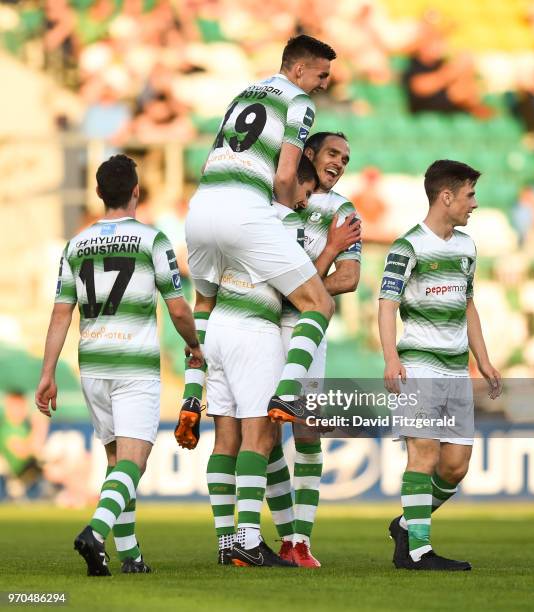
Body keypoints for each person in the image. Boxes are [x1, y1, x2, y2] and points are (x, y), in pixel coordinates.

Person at [35, 154, 203, 576]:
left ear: (97, 194)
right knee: (135, 462)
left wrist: (47, 373)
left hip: (92, 366)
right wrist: (194, 345)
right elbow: (180, 310)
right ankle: (96, 530)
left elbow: (61, 313)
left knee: (116, 464)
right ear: (135, 192)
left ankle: (130, 556)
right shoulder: (153, 240)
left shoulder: (75, 245)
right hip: (133, 366)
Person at [177, 35, 338, 455]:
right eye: (321, 75)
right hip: (245, 211)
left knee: (206, 304)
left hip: (200, 209)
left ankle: (193, 392)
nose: (323, 84)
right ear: (299, 69)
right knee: (318, 304)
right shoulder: (299, 102)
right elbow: (286, 175)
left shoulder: (243, 93)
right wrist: (284, 216)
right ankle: (287, 392)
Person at [378, 159, 501, 571]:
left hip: (455, 370)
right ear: (446, 196)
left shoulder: (467, 246)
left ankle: (406, 525)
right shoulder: (408, 246)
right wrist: (391, 358)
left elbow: (467, 305)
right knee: (424, 454)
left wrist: (482, 359)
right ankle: (418, 551)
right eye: (469, 195)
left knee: (455, 466)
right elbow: (387, 305)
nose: (475, 204)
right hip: (419, 366)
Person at [202, 156, 321, 568]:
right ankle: (249, 540)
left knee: (225, 440)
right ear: (293, 184)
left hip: (218, 326)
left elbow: (205, 289)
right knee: (262, 438)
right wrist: (334, 248)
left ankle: (225, 541)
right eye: (307, 192)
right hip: (253, 331)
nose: (307, 201)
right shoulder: (281, 225)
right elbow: (303, 290)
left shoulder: (231, 223)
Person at [267, 131, 362, 568]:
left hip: (310, 328)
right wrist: (318, 265)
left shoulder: (343, 210)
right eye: (332, 153)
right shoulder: (276, 197)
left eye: (345, 158)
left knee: (307, 431)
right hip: (263, 327)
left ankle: (299, 540)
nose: (339, 163)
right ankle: (281, 533)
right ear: (309, 154)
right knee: (263, 433)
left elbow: (349, 279)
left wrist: (294, 292)